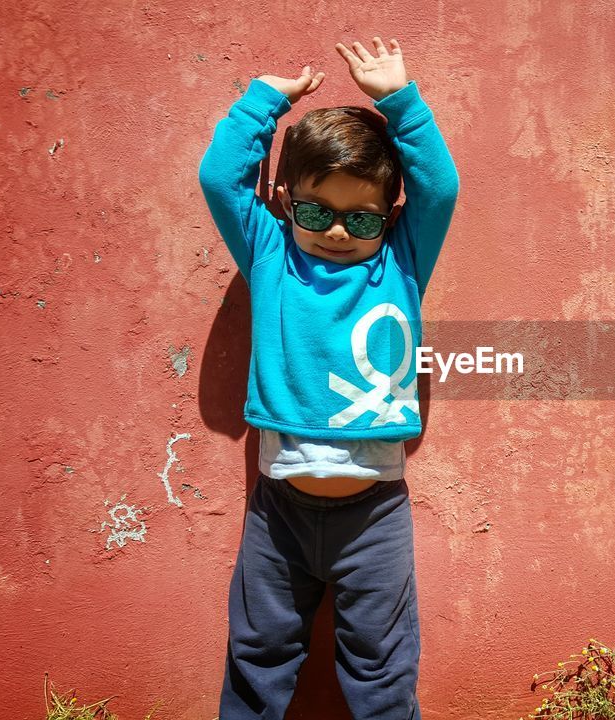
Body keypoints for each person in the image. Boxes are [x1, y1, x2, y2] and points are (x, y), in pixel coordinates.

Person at [197, 35, 459, 720]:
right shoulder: (270, 254)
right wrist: (263, 101)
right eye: (317, 213)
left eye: (361, 217)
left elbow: (440, 187)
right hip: (278, 515)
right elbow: (221, 177)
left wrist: (400, 101)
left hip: (374, 516)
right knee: (257, 657)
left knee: (383, 671)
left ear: (390, 215)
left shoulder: (400, 262)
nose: (338, 233)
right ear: (286, 202)